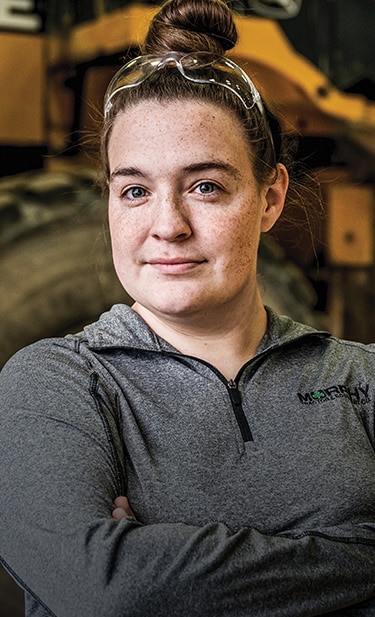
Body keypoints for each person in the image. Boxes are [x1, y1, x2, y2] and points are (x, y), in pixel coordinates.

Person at [0, 0, 374, 615]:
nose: (167, 225)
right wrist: (356, 555)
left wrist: (161, 555)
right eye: (136, 190)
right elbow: (108, 587)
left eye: (206, 186)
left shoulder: (362, 379)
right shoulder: (55, 385)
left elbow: (142, 587)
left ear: (270, 196)